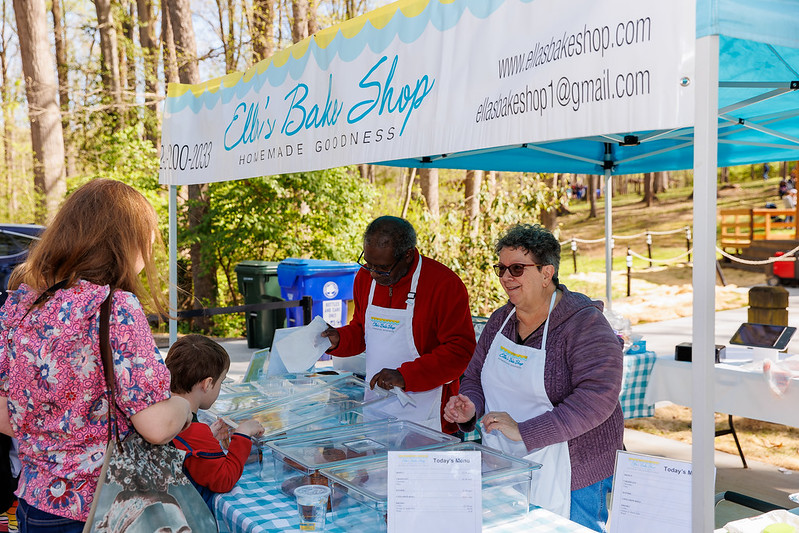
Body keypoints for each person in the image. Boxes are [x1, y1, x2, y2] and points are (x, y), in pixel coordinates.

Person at [0, 179, 193, 533]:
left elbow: (5, 416)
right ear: (124, 241)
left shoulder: (20, 304)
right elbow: (154, 426)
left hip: (33, 504)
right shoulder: (114, 307)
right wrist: (185, 407)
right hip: (98, 509)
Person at [443, 223, 623, 533]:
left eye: (516, 268)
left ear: (546, 273)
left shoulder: (583, 323)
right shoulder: (502, 319)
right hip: (506, 462)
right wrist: (470, 406)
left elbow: (597, 398)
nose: (505, 277)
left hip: (574, 468)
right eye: (500, 269)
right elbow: (474, 376)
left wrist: (525, 431)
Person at [322, 216, 476, 433]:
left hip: (429, 415)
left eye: (383, 268)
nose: (374, 274)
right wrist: (338, 339)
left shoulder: (444, 284)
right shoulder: (365, 278)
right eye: (368, 264)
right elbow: (361, 330)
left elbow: (459, 351)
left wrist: (406, 376)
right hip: (375, 410)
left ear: (407, 255)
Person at [166, 334, 264, 511]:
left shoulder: (163, 412)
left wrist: (208, 437)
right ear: (208, 383)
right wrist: (242, 435)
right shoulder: (193, 430)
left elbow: (185, 448)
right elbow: (224, 480)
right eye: (221, 381)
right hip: (188, 515)